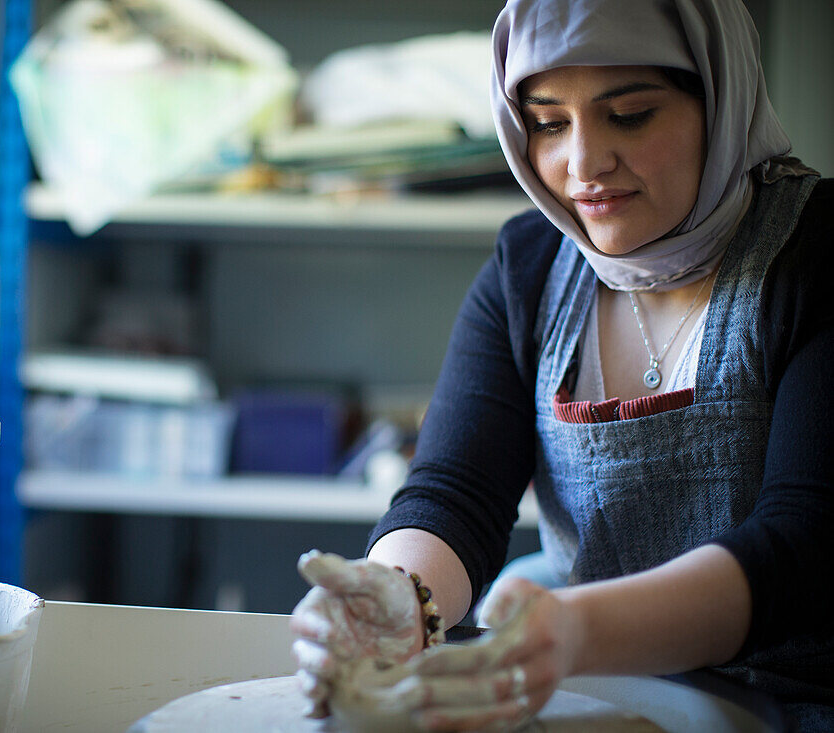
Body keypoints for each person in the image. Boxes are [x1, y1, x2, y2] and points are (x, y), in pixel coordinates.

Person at [290, 0, 834, 729]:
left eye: (631, 115)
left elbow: (801, 547)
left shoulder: (816, 253)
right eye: (548, 122)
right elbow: (457, 493)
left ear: (721, 97)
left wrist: (576, 628)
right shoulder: (532, 266)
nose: (583, 165)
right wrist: (396, 594)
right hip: (600, 683)